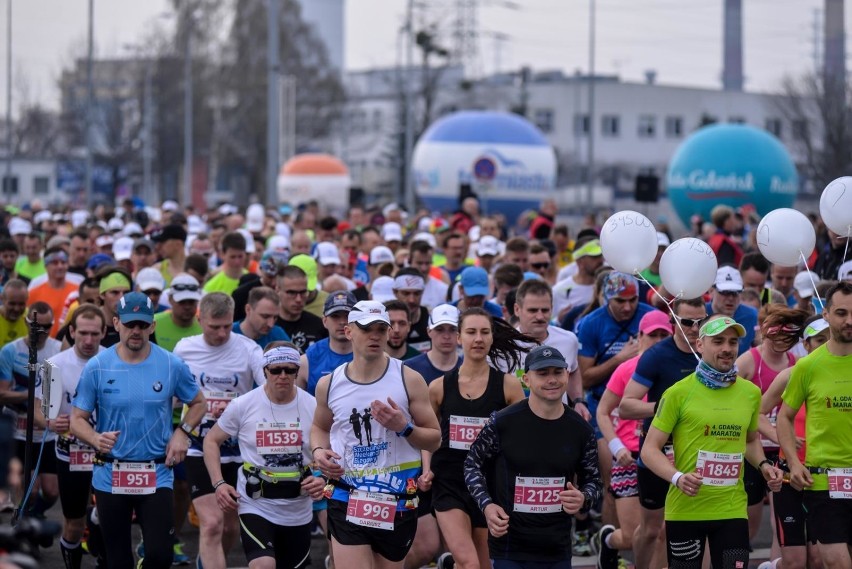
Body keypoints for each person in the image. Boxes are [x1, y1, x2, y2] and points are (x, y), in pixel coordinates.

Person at [70, 292, 206, 569]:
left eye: (142, 325)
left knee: (160, 555)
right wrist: (95, 438)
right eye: (130, 324)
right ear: (116, 323)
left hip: (156, 471)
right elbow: (77, 419)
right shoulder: (97, 366)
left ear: (152, 326)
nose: (136, 331)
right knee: (117, 560)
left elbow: (199, 403)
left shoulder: (171, 364)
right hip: (111, 472)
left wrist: (183, 433)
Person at [640, 315, 782, 569]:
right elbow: (650, 450)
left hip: (732, 509)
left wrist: (763, 465)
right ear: (700, 344)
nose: (727, 348)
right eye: (718, 341)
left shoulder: (750, 393)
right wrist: (677, 477)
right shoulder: (677, 393)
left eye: (732, 342)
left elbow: (749, 441)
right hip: (686, 510)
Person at [310, 300, 441, 569]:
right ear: (349, 332)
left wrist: (404, 428)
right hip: (347, 494)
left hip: (396, 499)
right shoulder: (330, 383)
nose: (375, 335)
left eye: (381, 329)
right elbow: (320, 427)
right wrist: (318, 452)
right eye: (367, 328)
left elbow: (434, 438)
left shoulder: (408, 378)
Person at [464, 344, 603, 569]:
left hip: (556, 547)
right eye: (543, 373)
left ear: (567, 375)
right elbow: (472, 465)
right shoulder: (503, 422)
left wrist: (583, 498)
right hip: (510, 546)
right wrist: (487, 506)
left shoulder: (581, 429)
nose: (552, 379)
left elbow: (595, 482)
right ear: (526, 380)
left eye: (557, 372)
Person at [203, 344, 326, 569]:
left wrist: (323, 480)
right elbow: (211, 441)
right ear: (265, 370)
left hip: (297, 508)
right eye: (276, 370)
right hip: (256, 503)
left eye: (289, 370)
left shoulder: (314, 406)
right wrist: (219, 483)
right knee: (264, 565)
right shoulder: (243, 404)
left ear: (297, 372)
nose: (283, 376)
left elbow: (333, 449)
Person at [426, 308, 527, 569]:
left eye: (484, 332)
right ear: (459, 337)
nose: (478, 339)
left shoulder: (508, 386)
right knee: (470, 563)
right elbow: (428, 435)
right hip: (449, 482)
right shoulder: (438, 387)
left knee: (481, 565)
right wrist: (427, 470)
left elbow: (521, 436)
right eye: (471, 332)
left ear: (492, 338)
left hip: (488, 485)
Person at [173, 292, 265, 569]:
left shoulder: (249, 349)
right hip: (198, 445)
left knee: (229, 529)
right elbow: (169, 396)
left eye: (227, 325)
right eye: (215, 327)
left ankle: (208, 561)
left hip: (238, 450)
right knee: (211, 523)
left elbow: (268, 390)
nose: (222, 333)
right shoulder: (184, 349)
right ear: (200, 319)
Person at [619, 296, 707, 569]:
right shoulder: (656, 356)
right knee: (651, 530)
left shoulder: (712, 353)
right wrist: (668, 408)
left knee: (692, 527)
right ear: (673, 322)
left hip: (698, 454)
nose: (694, 328)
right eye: (687, 322)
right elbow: (626, 406)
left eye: (700, 322)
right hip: (658, 456)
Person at [777, 281, 852, 569]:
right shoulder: (807, 367)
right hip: (825, 480)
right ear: (826, 315)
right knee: (836, 562)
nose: (849, 321)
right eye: (841, 313)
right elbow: (784, 416)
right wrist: (794, 463)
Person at [593, 310, 672, 569]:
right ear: (639, 337)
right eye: (653, 335)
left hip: (664, 457)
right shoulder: (626, 369)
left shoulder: (675, 369)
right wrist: (616, 447)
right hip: (629, 457)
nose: (658, 340)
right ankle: (608, 540)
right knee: (632, 535)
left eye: (664, 335)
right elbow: (603, 411)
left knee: (661, 532)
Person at [35, 305, 105, 569]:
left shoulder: (113, 360)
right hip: (70, 452)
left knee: (108, 516)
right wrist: (50, 422)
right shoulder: (55, 365)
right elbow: (39, 412)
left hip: (105, 453)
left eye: (95, 334)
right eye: (83, 333)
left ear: (104, 333)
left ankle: (103, 556)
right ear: (72, 331)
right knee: (74, 523)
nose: (88, 341)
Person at [757, 316, 829, 569]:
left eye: (830, 338)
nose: (826, 344)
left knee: (820, 559)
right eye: (819, 339)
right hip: (791, 474)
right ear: (806, 345)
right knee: (796, 563)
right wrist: (781, 437)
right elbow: (756, 413)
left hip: (829, 473)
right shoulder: (790, 376)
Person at [734, 304, 808, 544]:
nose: (781, 341)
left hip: (786, 453)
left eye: (788, 337)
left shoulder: (797, 365)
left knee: (782, 531)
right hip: (753, 450)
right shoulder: (747, 362)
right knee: (750, 524)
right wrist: (778, 435)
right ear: (765, 331)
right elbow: (740, 410)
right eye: (776, 335)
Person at [0, 302, 62, 518]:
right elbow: (3, 394)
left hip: (46, 433)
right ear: (27, 323)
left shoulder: (58, 349)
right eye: (37, 327)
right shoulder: (10, 351)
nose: (42, 333)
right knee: (30, 491)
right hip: (19, 429)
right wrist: (35, 396)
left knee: (52, 491)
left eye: (47, 327)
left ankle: (35, 517)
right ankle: (27, 531)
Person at [513, 279, 587, 416]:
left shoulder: (568, 340)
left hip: (558, 424)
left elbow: (574, 370)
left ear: (552, 309)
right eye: (533, 310)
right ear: (517, 310)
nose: (540, 316)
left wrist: (578, 400)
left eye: (545, 310)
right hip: (517, 426)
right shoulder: (504, 346)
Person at [297, 290, 357, 396]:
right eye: (335, 316)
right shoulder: (307, 361)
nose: (342, 322)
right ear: (324, 321)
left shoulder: (370, 355)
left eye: (347, 315)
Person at [28, 247, 79, 337]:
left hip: (68, 343)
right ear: (46, 266)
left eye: (63, 262)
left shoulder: (77, 291)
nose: (60, 266)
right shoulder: (33, 293)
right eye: (55, 263)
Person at [405, 304, 463, 384]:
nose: (446, 336)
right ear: (429, 331)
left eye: (452, 329)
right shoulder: (409, 368)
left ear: (460, 332)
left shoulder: (469, 368)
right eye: (439, 329)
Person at [707, 266, 758, 355]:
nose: (730, 298)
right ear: (711, 291)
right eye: (725, 292)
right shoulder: (700, 313)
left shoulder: (751, 316)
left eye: (735, 293)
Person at [276, 265, 328, 353]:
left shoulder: (319, 326)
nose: (298, 299)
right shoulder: (267, 326)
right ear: (277, 290)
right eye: (291, 293)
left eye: (303, 292)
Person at [152, 273, 203, 352]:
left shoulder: (205, 327)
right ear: (170, 299)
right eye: (182, 302)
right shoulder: (152, 323)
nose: (187, 307)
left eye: (191, 302)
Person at [392, 268, 432, 353]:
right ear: (395, 292)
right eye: (406, 293)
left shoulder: (431, 319)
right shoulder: (384, 319)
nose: (411, 300)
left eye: (417, 293)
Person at [0, 279, 28, 347]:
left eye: (21, 304)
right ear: (2, 299)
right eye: (12, 304)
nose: (16, 309)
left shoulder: (30, 318)